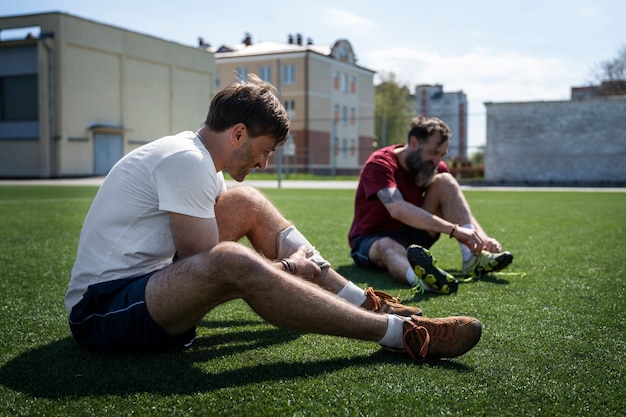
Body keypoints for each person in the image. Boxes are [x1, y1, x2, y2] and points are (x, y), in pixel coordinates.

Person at [65, 76, 482, 362]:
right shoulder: (186, 160)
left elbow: (201, 259)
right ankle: (399, 334)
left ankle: (364, 302)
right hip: (102, 311)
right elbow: (209, 266)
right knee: (230, 259)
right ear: (239, 133)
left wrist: (297, 268)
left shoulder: (198, 161)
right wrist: (287, 269)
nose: (266, 162)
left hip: (144, 286)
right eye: (266, 150)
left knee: (246, 200)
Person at [349, 115, 513, 295]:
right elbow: (397, 209)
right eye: (434, 152)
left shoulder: (433, 166)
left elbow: (457, 207)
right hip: (371, 239)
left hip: (414, 235)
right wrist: (454, 230)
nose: (437, 161)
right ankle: (424, 281)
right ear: (413, 142)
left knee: (446, 181)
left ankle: (473, 258)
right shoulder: (380, 163)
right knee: (388, 245)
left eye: (442, 155)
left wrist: (481, 238)